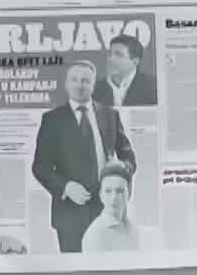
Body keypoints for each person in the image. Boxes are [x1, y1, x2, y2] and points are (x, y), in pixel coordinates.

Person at [32, 60, 136, 252]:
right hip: (70, 213)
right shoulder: (52, 120)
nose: (80, 85)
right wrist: (65, 187)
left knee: (109, 265)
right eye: (75, 80)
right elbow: (40, 167)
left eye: (86, 81)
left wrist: (121, 169)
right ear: (66, 84)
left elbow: (128, 157)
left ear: (93, 85)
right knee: (76, 268)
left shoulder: (110, 115)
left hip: (108, 210)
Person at [80, 162, 142, 253]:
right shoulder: (94, 235)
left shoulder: (134, 229)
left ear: (129, 194)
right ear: (101, 195)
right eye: (108, 191)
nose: (114, 197)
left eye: (119, 191)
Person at [93, 34, 157, 108]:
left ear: (135, 61)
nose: (111, 59)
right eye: (110, 54)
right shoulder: (95, 88)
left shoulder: (153, 87)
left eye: (118, 55)